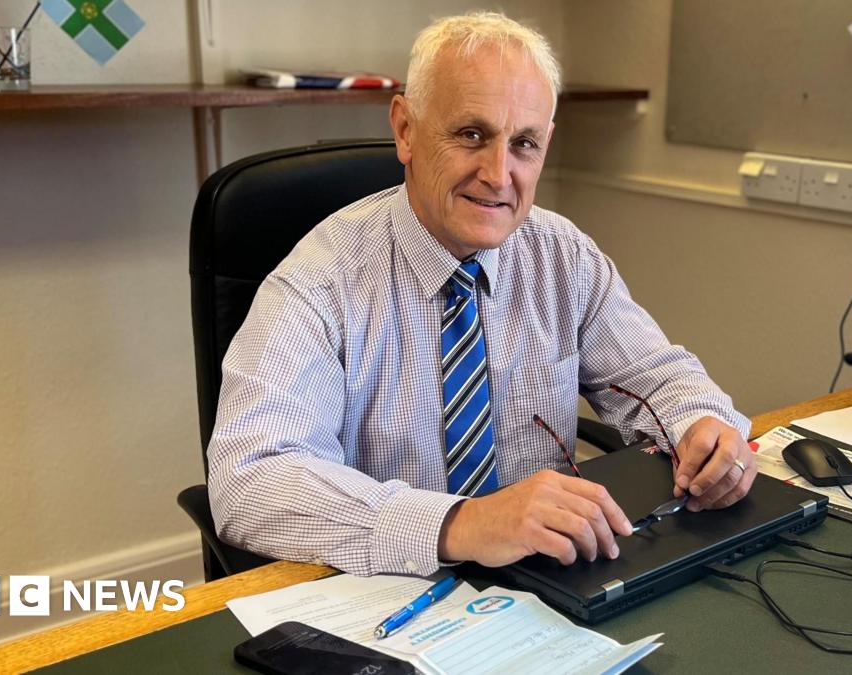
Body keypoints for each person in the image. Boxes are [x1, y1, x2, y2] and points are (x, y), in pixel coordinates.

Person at [208, 12, 756, 577]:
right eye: (472, 134)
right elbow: (250, 479)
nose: (499, 174)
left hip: (554, 576)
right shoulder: (320, 281)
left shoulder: (561, 255)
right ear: (405, 130)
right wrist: (461, 523)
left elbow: (657, 376)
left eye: (525, 143)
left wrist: (703, 425)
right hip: (391, 591)